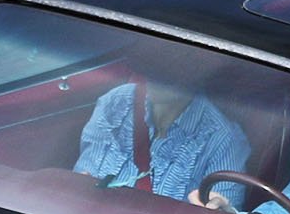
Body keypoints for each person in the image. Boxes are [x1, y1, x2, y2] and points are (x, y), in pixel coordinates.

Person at [74, 78, 251, 205]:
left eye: (173, 65)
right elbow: (81, 182)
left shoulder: (224, 140)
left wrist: (219, 209)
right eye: (153, 61)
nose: (159, 73)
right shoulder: (116, 102)